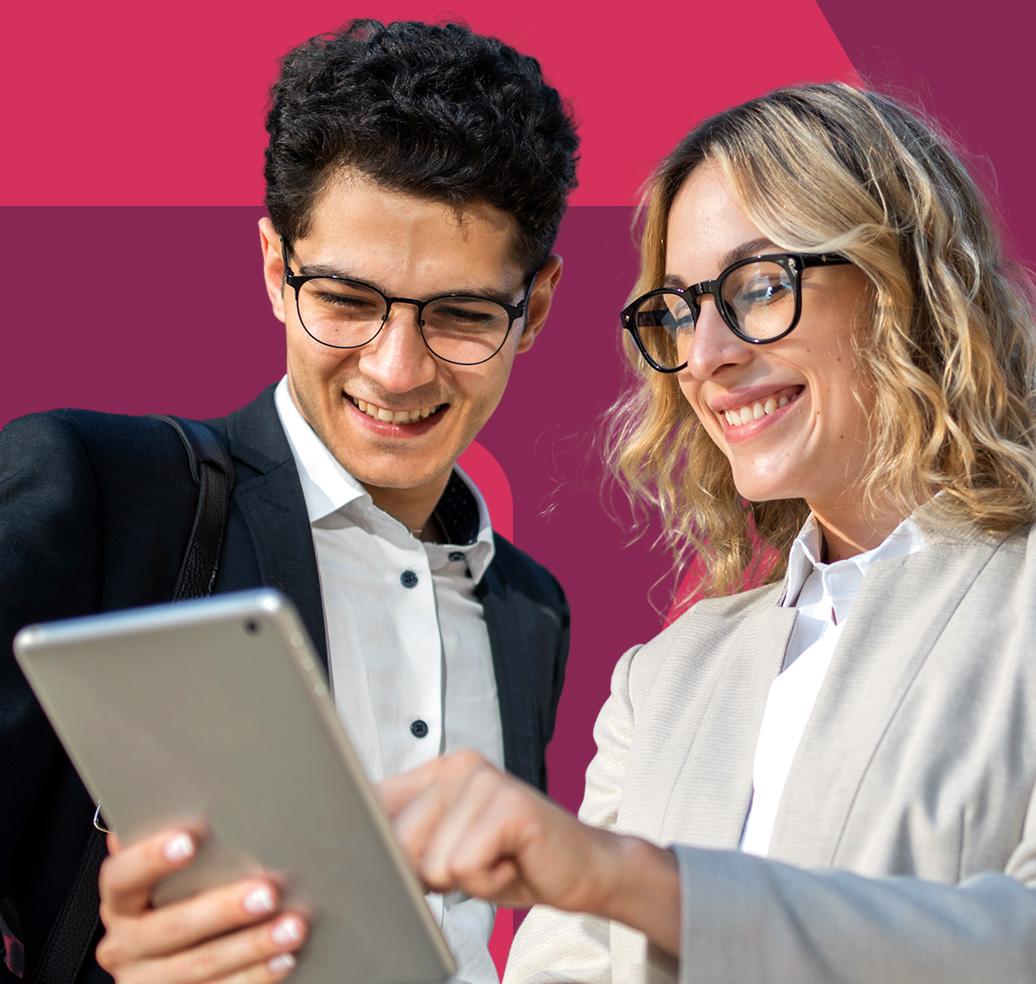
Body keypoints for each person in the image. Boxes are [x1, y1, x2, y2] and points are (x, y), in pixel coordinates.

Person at [377, 83, 1036, 983]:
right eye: (681, 310)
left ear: (901, 287)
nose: (704, 355)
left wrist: (638, 883)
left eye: (760, 287)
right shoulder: (668, 679)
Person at [0, 19, 577, 984]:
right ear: (276, 269)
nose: (396, 371)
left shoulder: (531, 612)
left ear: (538, 310)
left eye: (462, 315)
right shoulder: (94, 491)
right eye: (346, 301)